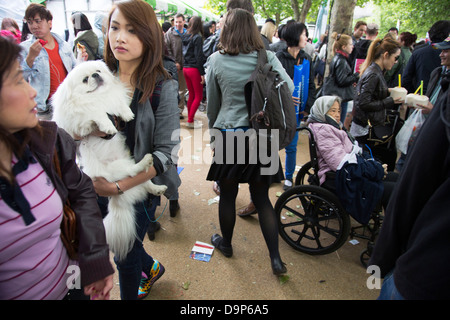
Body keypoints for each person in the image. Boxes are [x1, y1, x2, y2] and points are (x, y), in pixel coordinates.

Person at [0, 36, 114, 300]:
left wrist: (95, 259)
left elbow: (81, 192)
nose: (32, 91)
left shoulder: (47, 143)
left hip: (74, 287)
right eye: (18, 79)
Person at [94, 0, 180, 300]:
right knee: (118, 242)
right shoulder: (98, 79)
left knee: (123, 255)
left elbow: (166, 153)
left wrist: (117, 187)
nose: (120, 37)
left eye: (131, 30)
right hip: (98, 182)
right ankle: (152, 267)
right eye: (115, 28)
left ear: (149, 37)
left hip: (139, 189)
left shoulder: (162, 86)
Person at [206, 8, 294, 275]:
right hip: (263, 136)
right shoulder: (266, 57)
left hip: (230, 135)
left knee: (228, 195)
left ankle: (227, 244)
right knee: (262, 199)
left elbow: (213, 105)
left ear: (227, 29)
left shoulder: (216, 60)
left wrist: (213, 134)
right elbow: (287, 86)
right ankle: (276, 260)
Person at [368, 74, 450, 300]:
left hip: (426, 270)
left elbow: (412, 187)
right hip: (429, 270)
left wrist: (379, 264)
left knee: (393, 181)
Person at [307, 96, 397, 219]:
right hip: (340, 177)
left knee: (397, 178)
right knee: (394, 190)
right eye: (332, 111)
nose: (337, 114)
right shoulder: (324, 130)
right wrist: (375, 170)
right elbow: (340, 163)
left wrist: (374, 166)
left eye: (338, 111)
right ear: (322, 111)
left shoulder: (333, 126)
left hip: (350, 170)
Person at [350, 37, 403, 171]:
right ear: (386, 55)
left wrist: (387, 91)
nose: (396, 62)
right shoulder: (374, 73)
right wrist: (390, 101)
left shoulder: (375, 71)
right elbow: (363, 102)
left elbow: (369, 95)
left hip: (366, 127)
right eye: (395, 58)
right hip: (366, 129)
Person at [275, 21, 316, 191]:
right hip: (279, 110)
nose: (306, 38)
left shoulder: (306, 58)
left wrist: (307, 106)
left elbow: (311, 85)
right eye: (304, 34)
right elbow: (272, 84)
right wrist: (286, 98)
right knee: (273, 143)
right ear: (294, 35)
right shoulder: (278, 57)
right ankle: (270, 174)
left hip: (297, 112)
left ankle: (289, 177)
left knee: (292, 146)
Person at [19, 3, 76, 119]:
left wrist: (81, 60)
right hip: (43, 109)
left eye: (38, 21)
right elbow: (18, 79)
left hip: (67, 104)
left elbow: (75, 71)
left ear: (49, 23)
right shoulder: (25, 48)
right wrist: (30, 57)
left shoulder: (63, 45)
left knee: (69, 136)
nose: (34, 26)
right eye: (29, 22)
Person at [322, 32, 359, 129]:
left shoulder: (337, 58)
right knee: (337, 125)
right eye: (350, 44)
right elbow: (342, 80)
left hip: (337, 96)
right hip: (340, 97)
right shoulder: (341, 61)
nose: (353, 47)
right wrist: (356, 76)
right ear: (344, 47)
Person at [402, 20, 450, 94]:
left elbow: (406, 79)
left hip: (420, 96)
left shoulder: (418, 52)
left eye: (445, 51)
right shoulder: (419, 52)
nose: (441, 55)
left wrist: (414, 95)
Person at [181, 16, 206, 128]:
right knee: (198, 96)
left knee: (191, 94)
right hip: (194, 69)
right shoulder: (197, 38)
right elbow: (199, 56)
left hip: (185, 68)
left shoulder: (185, 36)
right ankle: (190, 120)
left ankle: (190, 118)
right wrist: (202, 73)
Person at [165, 13, 188, 119]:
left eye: (180, 21)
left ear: (184, 22)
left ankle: (179, 110)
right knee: (171, 88)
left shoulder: (187, 34)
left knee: (182, 90)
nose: (178, 24)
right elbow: (167, 49)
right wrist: (174, 62)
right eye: (176, 21)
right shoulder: (170, 34)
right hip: (172, 66)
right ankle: (171, 110)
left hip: (185, 66)